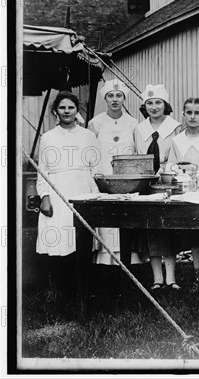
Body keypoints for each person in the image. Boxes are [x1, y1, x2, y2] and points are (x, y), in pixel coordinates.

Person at [36, 91, 100, 295]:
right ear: (56, 111)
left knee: (81, 239)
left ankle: (83, 288)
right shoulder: (48, 137)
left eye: (70, 107)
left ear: (76, 110)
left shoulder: (88, 135)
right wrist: (44, 197)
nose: (66, 111)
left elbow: (96, 167)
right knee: (58, 239)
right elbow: (43, 170)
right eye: (62, 107)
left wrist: (96, 195)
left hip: (83, 189)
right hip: (57, 191)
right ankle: (58, 289)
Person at [88, 79, 142, 266]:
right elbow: (91, 153)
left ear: (124, 98)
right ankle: (105, 263)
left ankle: (130, 262)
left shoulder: (133, 123)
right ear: (105, 98)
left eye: (119, 96)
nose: (115, 100)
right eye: (110, 96)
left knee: (125, 221)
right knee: (107, 222)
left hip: (127, 182)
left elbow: (137, 151)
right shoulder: (95, 123)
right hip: (104, 181)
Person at [134, 84, 182, 291]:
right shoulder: (139, 129)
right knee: (151, 229)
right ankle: (157, 278)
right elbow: (137, 155)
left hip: (168, 182)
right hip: (147, 182)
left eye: (158, 103)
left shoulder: (175, 126)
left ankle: (171, 277)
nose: (154, 107)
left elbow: (178, 156)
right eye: (150, 103)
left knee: (168, 228)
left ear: (165, 104)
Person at [168, 97, 199, 290]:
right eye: (188, 112)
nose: (192, 116)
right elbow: (170, 166)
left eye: (197, 112)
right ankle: (198, 276)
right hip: (186, 193)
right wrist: (182, 175)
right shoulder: (177, 140)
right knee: (194, 235)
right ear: (183, 114)